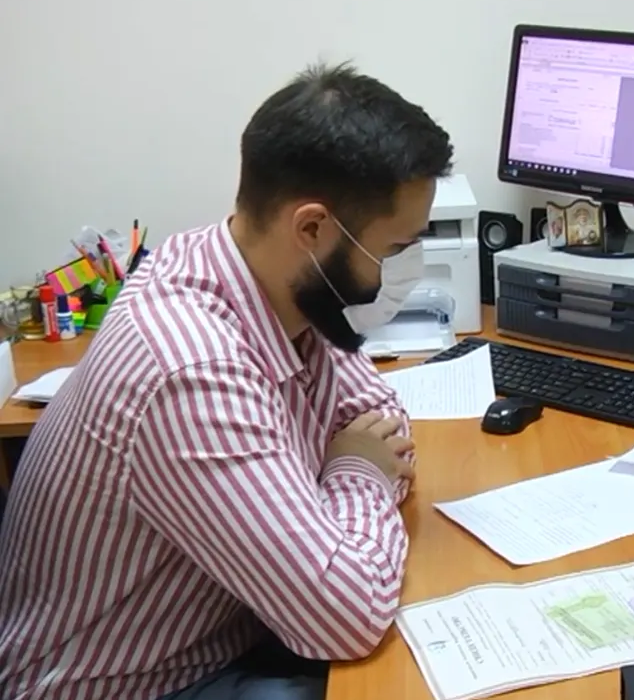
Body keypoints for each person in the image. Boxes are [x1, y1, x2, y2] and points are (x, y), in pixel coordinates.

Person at [0, 62, 454, 700]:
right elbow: (346, 617)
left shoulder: (271, 277)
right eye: (395, 248)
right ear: (312, 228)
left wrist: (351, 468)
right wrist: (355, 471)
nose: (405, 267)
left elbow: (379, 416)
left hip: (221, 631)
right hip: (125, 684)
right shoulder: (190, 371)